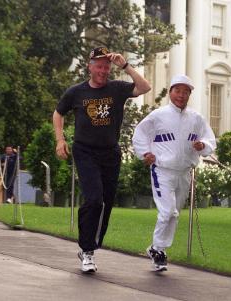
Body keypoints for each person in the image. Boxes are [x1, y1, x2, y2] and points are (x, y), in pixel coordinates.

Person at [53, 46, 151, 273]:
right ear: (90, 67)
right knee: (94, 199)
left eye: (106, 66)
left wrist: (125, 65)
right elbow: (58, 113)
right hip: (85, 150)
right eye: (99, 66)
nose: (103, 70)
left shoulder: (116, 88)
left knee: (105, 202)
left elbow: (145, 87)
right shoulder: (76, 92)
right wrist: (60, 140)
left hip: (110, 152)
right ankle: (87, 250)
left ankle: (91, 245)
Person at [132, 74, 216, 271]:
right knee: (167, 211)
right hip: (162, 170)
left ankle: (156, 248)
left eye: (185, 92)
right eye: (177, 91)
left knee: (174, 213)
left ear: (189, 95)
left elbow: (209, 139)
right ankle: (159, 249)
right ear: (170, 92)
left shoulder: (196, 118)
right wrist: (145, 153)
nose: (181, 95)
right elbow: (140, 134)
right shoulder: (158, 116)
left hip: (184, 172)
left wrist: (202, 145)